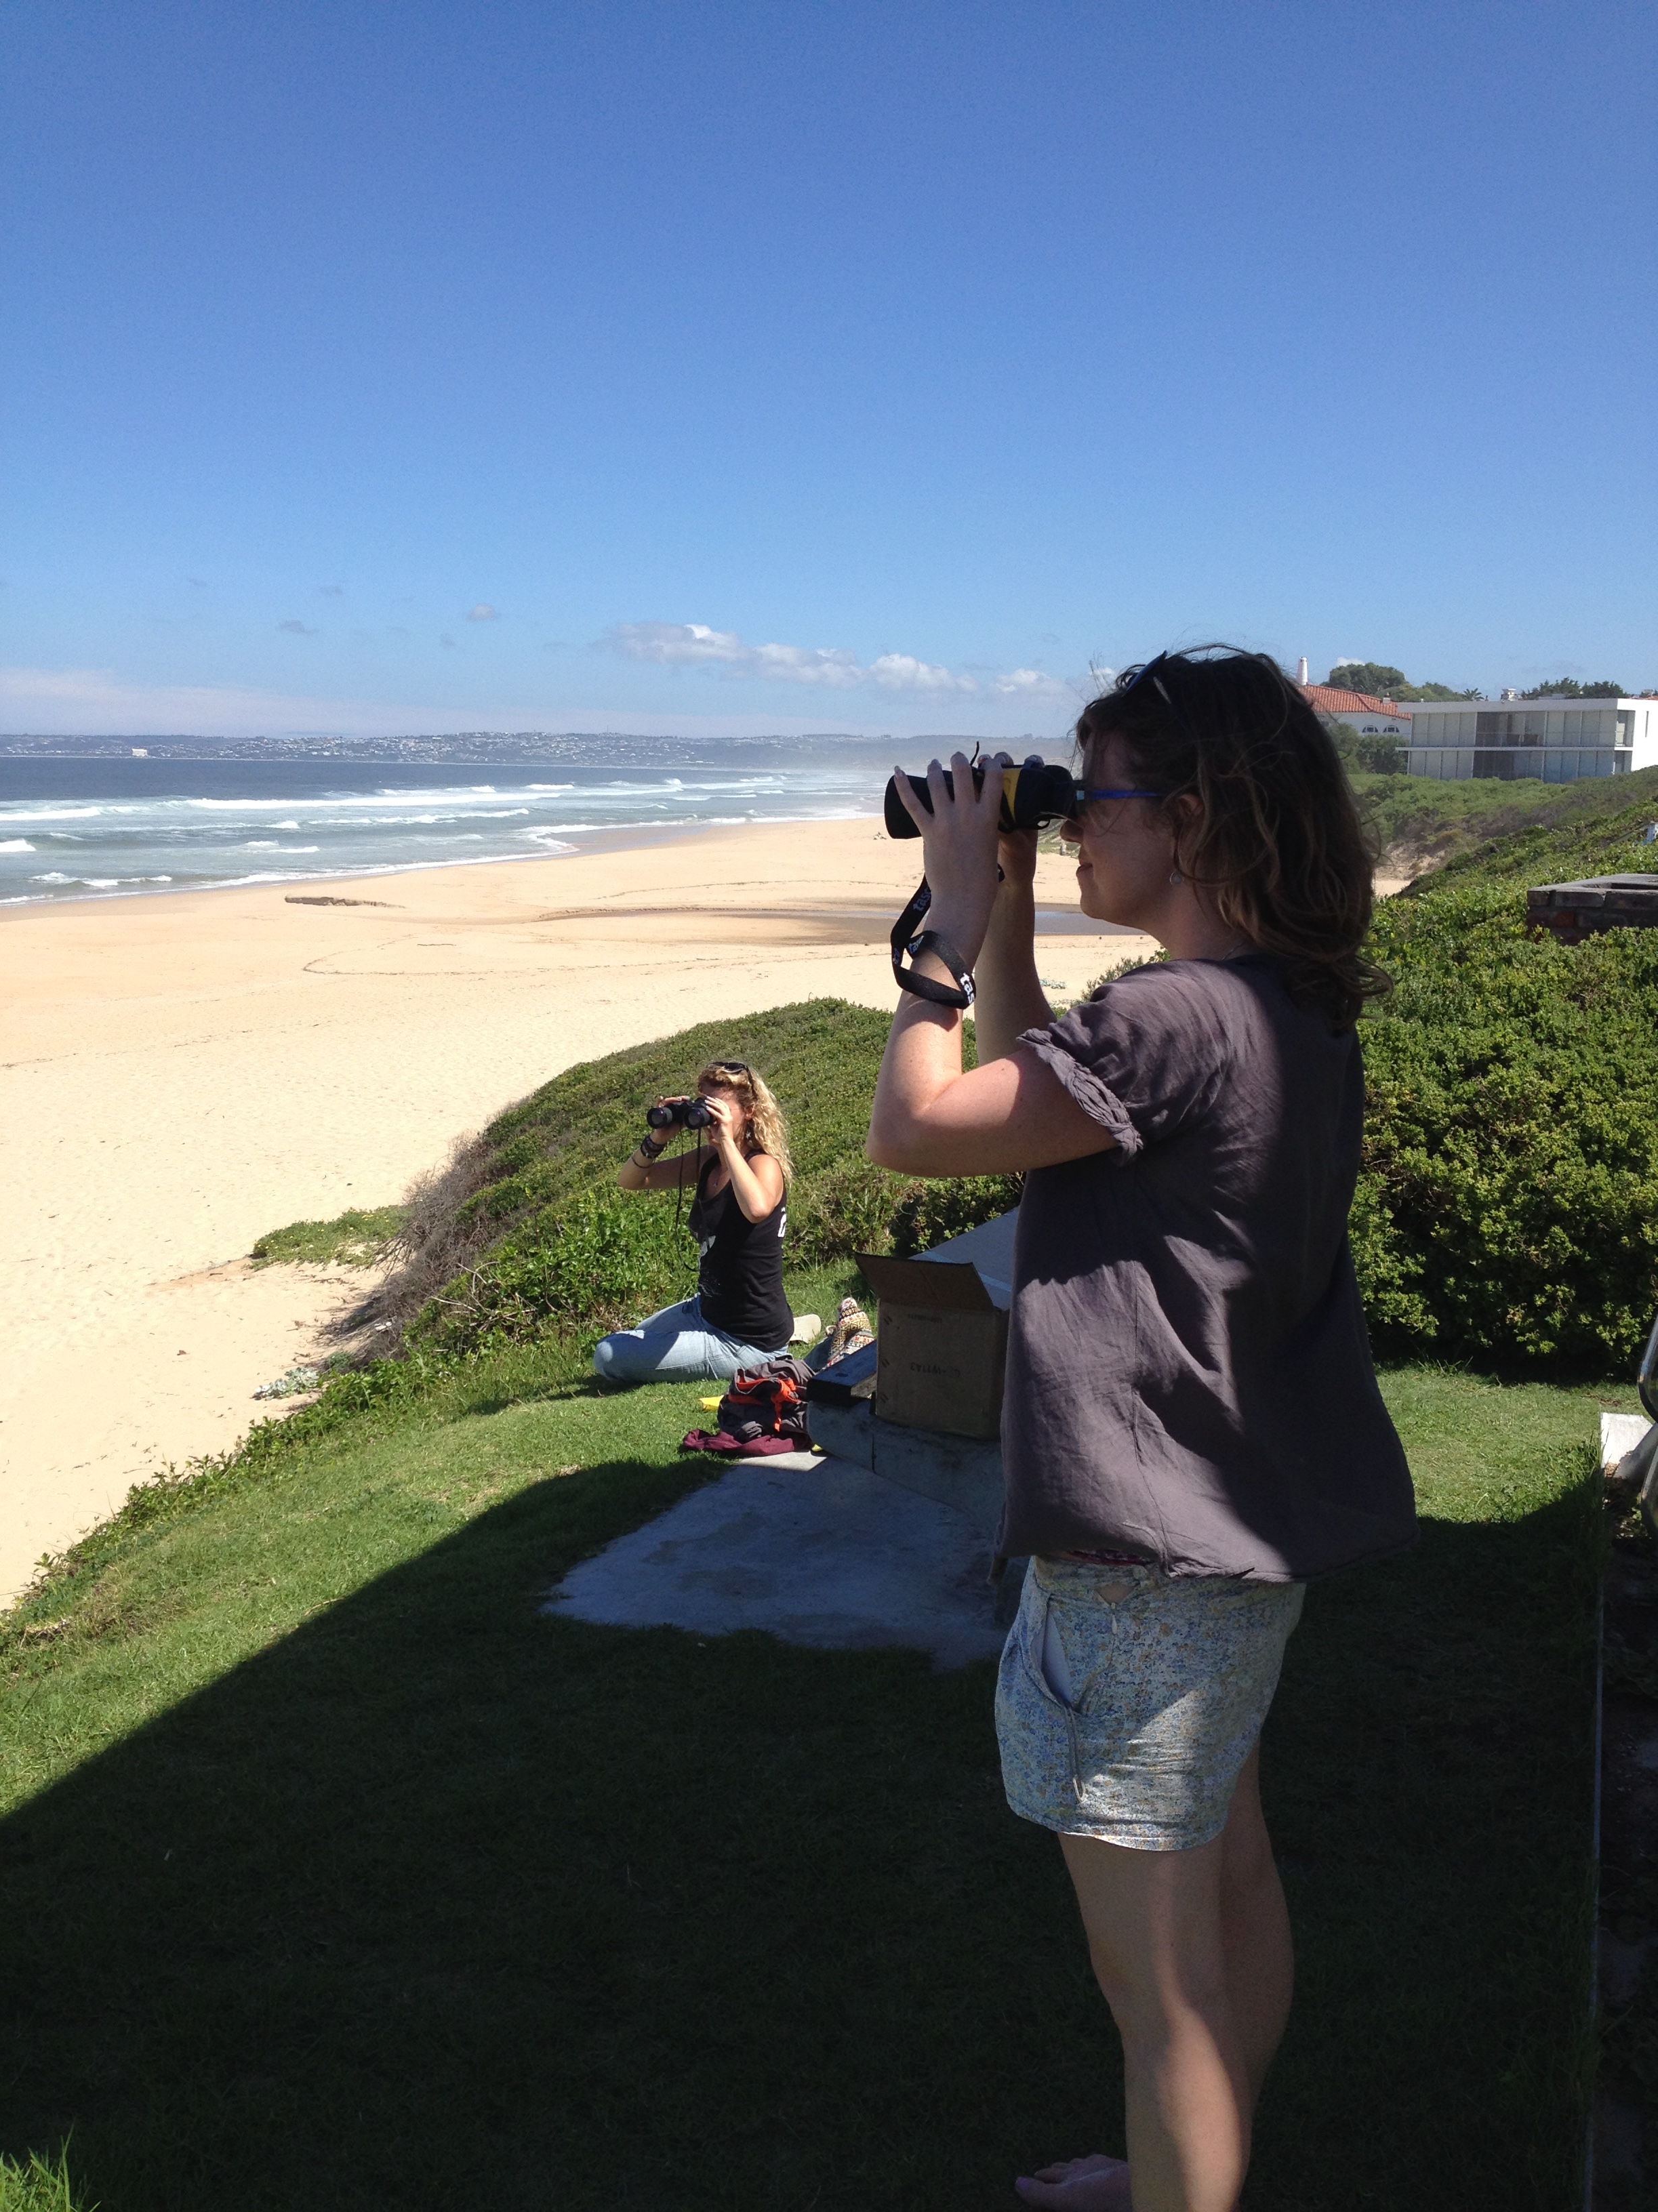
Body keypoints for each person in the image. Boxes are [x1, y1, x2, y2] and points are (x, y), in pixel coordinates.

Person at [866, 649, 1415, 2212]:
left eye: (1089, 796)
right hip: (1226, 1539)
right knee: (1224, 1894)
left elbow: (913, 1127)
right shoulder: (1268, 1011)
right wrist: (1017, 923)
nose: (1073, 822)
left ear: (1189, 817)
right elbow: (1051, 1097)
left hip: (1142, 1564)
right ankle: (1192, 2160)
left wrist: (937, 939)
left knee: (1154, 1982)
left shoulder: (1173, 1019)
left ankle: (1186, 2171)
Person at [591, 1059, 795, 1384]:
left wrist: (727, 1141)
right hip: (707, 1311)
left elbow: (757, 1208)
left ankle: (778, 1353)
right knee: (633, 1337)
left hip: (747, 1341)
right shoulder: (706, 1162)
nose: (710, 1118)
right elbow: (631, 1180)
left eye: (720, 1108)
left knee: (608, 1354)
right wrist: (658, 1137)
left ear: (750, 1111)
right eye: (705, 1105)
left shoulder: (764, 1164)